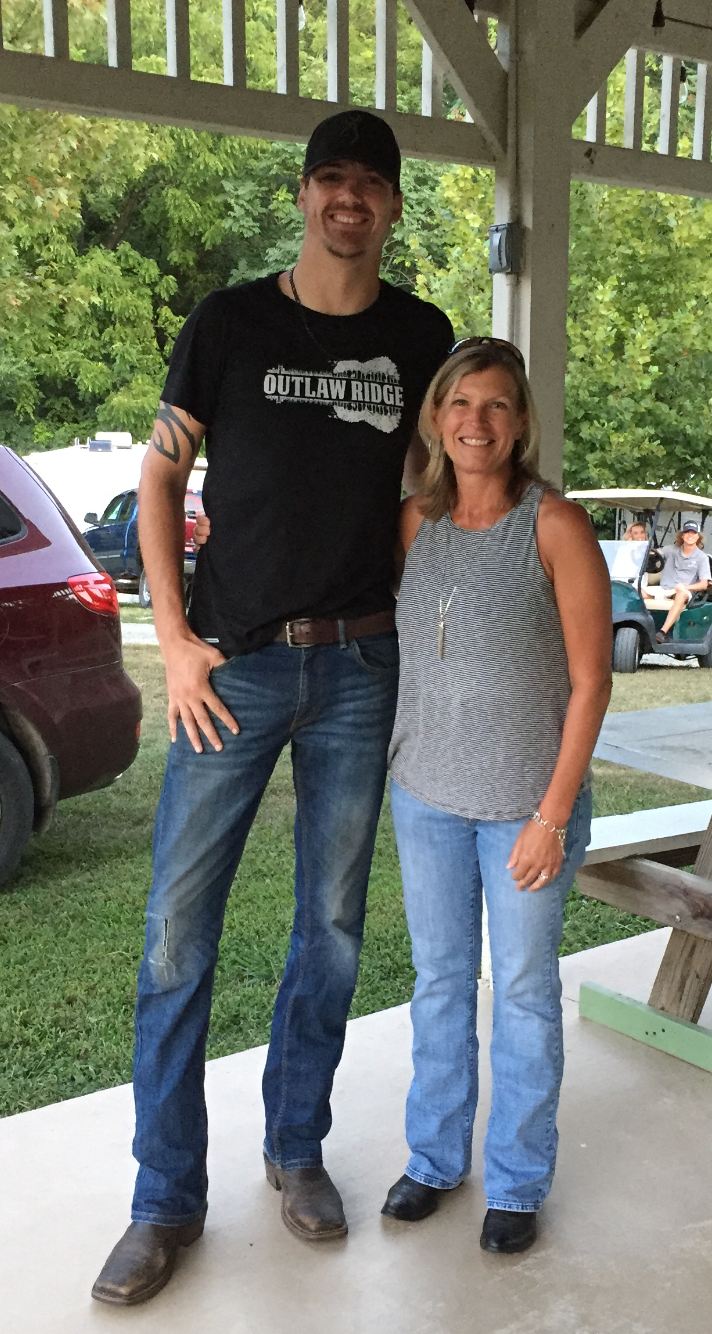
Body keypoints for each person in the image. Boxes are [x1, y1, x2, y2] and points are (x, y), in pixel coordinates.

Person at [92, 109, 453, 1307]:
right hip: (229, 675)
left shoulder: (421, 337)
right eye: (331, 180)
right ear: (304, 195)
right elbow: (159, 472)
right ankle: (163, 1198)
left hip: (359, 668)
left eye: (372, 185)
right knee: (175, 938)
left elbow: (440, 485)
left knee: (335, 929)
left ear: (395, 207)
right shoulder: (230, 321)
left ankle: (295, 1148)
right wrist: (176, 643)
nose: (350, 199)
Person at [379, 338, 612, 1254]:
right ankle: (435, 1159)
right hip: (426, 795)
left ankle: (517, 1181)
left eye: (497, 406)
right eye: (460, 403)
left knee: (519, 992)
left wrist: (554, 816)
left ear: (521, 424)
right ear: (437, 418)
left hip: (525, 805)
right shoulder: (412, 524)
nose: (476, 421)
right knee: (438, 982)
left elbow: (592, 682)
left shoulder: (555, 526)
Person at [641, 521, 711, 642]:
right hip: (665, 588)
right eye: (687, 532)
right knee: (637, 593)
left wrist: (685, 587)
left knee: (681, 594)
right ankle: (638, 629)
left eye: (693, 533)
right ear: (682, 535)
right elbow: (655, 553)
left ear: (698, 536)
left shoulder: (702, 557)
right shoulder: (671, 550)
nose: (690, 535)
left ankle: (662, 632)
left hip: (685, 590)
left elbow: (704, 584)